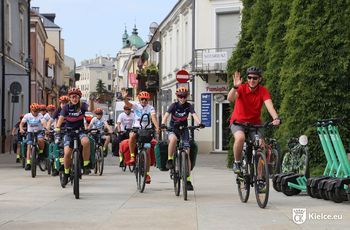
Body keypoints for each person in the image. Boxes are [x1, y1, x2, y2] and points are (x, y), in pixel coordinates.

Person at [227, 66, 281, 174]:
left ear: (259, 79)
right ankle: (237, 162)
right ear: (247, 78)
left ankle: (260, 178)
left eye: (255, 78)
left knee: (261, 147)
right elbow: (230, 99)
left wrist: (276, 118)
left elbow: (269, 106)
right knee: (240, 138)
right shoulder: (241, 88)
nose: (252, 80)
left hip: (254, 124)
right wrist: (235, 87)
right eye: (249, 77)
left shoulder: (263, 91)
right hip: (238, 122)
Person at [161, 87, 205, 191]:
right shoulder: (173, 106)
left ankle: (188, 179)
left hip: (184, 129)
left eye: (184, 96)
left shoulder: (188, 106)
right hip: (173, 128)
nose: (182, 98)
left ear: (187, 96)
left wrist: (199, 123)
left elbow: (194, 115)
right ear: (177, 97)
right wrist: (163, 124)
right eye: (180, 96)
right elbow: (166, 115)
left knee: (187, 151)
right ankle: (170, 159)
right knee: (173, 140)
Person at [121, 89, 160, 184]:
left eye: (145, 99)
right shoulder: (136, 106)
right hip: (137, 128)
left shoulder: (151, 108)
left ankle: (146, 174)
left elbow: (153, 117)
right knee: (132, 136)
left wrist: (157, 127)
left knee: (147, 151)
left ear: (148, 100)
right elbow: (128, 104)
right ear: (139, 99)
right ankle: (132, 156)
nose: (143, 101)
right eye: (142, 99)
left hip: (147, 130)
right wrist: (125, 97)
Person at [55, 88, 90, 186]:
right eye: (72, 97)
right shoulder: (66, 107)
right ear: (70, 98)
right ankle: (66, 173)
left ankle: (86, 165)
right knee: (66, 153)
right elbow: (61, 118)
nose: (74, 99)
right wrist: (57, 127)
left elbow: (89, 113)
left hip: (80, 131)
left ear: (79, 98)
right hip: (69, 132)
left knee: (86, 142)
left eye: (76, 97)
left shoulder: (83, 106)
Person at [19, 103, 47, 171]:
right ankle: (28, 163)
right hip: (30, 132)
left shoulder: (40, 115)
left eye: (37, 111)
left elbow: (43, 123)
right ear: (31, 110)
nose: (35, 112)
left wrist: (45, 127)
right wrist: (21, 129)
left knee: (41, 140)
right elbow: (21, 124)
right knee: (29, 145)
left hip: (39, 131)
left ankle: (40, 152)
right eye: (34, 111)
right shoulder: (27, 116)